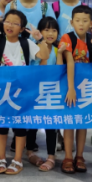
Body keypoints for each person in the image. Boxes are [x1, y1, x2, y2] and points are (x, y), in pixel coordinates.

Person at [0, 10, 48, 175]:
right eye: (7, 21)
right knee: (2, 126)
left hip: (21, 92)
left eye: (15, 23)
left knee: (20, 127)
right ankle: (1, 158)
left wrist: (40, 39)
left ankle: (18, 160)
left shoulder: (26, 43)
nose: (10, 25)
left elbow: (44, 55)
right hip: (2, 92)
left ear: (22, 28)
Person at [58, 4, 92, 174]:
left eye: (85, 20)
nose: (81, 24)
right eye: (77, 20)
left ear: (91, 23)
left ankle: (80, 156)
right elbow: (69, 63)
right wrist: (71, 88)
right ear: (71, 22)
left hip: (87, 87)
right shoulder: (67, 38)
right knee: (69, 122)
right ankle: (68, 157)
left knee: (83, 123)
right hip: (70, 86)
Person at [27, 16, 64, 172]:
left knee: (51, 125)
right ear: (40, 32)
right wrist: (41, 42)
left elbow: (59, 70)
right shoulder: (33, 47)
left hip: (51, 93)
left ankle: (51, 157)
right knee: (32, 124)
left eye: (54, 30)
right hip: (34, 92)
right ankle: (29, 153)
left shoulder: (56, 49)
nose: (50, 33)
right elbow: (41, 66)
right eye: (46, 30)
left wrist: (60, 53)